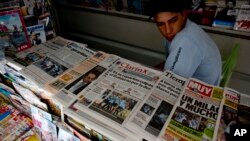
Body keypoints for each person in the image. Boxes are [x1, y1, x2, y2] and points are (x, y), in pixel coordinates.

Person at [150, 0, 222, 85]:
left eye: (173, 20)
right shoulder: (183, 30)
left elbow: (168, 85)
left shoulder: (187, 41)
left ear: (183, 15)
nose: (168, 30)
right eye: (160, 24)